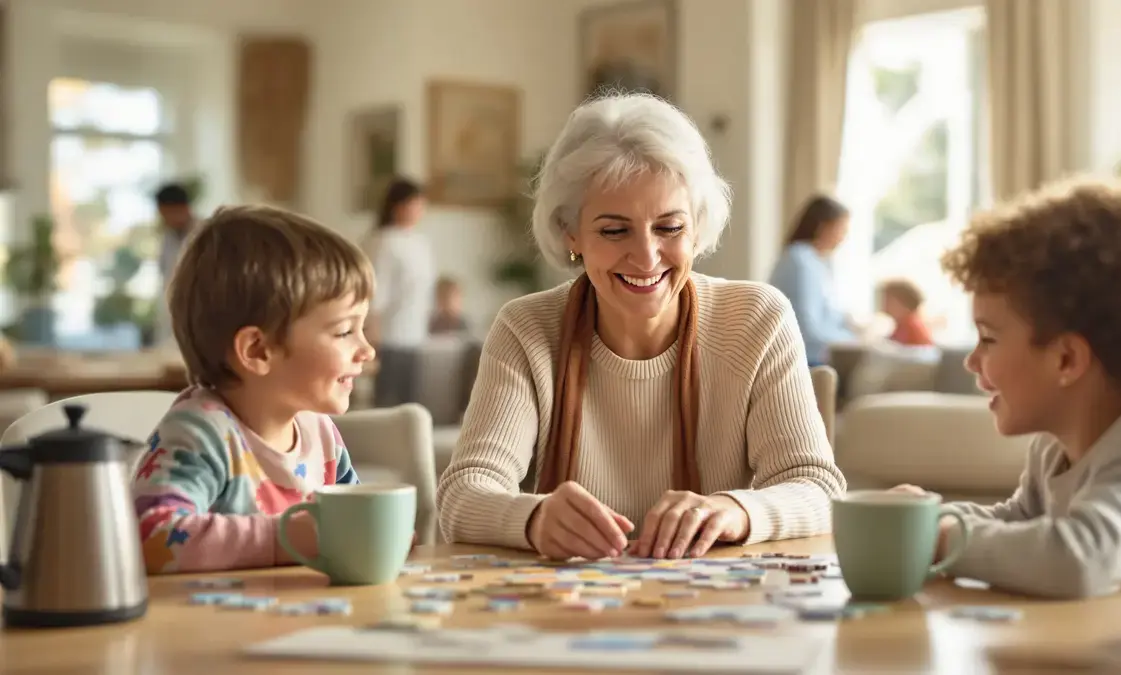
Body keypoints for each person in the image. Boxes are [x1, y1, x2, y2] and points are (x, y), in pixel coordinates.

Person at [436, 93, 846, 561]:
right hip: (563, 615)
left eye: (669, 228)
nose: (647, 257)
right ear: (571, 233)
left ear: (697, 226)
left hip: (714, 611)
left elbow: (818, 489)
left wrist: (733, 510)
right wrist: (532, 519)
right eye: (614, 231)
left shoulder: (757, 319)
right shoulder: (525, 329)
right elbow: (461, 496)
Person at [892, 178, 1121, 597]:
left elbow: (1078, 560)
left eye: (988, 338)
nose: (971, 361)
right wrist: (925, 517)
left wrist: (941, 536)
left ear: (1066, 360)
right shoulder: (1056, 447)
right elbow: (1020, 524)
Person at [130, 205, 376, 574]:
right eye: (344, 331)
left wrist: (377, 532)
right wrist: (284, 539)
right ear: (258, 351)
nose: (367, 350)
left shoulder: (320, 432)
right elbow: (150, 536)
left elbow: (352, 523)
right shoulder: (201, 434)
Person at [368, 178, 437, 408]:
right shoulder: (383, 242)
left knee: (411, 403)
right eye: (413, 204)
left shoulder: (420, 242)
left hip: (415, 334)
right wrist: (373, 335)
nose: (419, 210)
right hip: (390, 336)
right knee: (388, 402)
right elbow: (376, 292)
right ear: (397, 206)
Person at [768, 195, 858, 366]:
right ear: (823, 226)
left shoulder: (817, 261)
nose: (843, 237)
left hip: (815, 354)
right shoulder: (800, 260)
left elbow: (827, 314)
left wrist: (854, 328)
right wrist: (855, 341)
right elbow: (807, 326)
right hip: (805, 358)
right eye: (841, 229)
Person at [153, 183, 197, 346]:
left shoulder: (205, 234)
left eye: (167, 213)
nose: (165, 219)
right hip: (171, 319)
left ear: (182, 208)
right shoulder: (167, 239)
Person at [878, 278, 934, 347]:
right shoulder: (902, 325)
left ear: (903, 303)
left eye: (888, 299)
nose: (884, 303)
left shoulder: (911, 326)